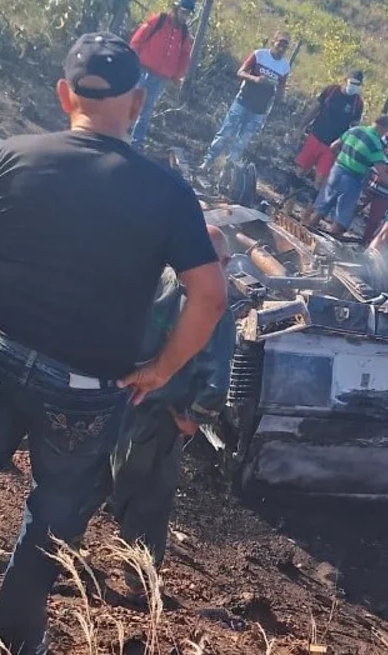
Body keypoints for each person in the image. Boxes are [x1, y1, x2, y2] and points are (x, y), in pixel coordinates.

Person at [0, 33, 228, 655]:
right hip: (89, 387)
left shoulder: (12, 155)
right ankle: (8, 636)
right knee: (54, 517)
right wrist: (160, 368)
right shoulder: (168, 193)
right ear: (138, 102)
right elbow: (210, 296)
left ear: (65, 94)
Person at [112, 228, 235, 569]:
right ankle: (137, 575)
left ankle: (65, 546)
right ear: (226, 263)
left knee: (101, 472)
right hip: (162, 413)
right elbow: (217, 377)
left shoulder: (158, 278)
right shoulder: (215, 309)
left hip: (120, 397)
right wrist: (194, 417)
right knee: (150, 496)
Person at [199, 31, 292, 173]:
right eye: (280, 44)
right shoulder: (259, 55)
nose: (281, 48)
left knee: (241, 142)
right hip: (243, 100)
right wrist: (255, 79)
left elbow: (281, 89)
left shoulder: (285, 67)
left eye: (285, 47)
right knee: (226, 132)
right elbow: (240, 72)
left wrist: (281, 95)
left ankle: (226, 171)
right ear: (274, 42)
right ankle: (208, 161)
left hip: (260, 109)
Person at [303, 115, 388, 235]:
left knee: (321, 208)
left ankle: (305, 233)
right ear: (384, 128)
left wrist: (340, 159)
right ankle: (329, 243)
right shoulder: (375, 144)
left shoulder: (355, 130)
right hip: (352, 180)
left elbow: (334, 146)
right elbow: (382, 173)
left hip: (336, 171)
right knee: (341, 217)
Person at [128, 0, 196, 146]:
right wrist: (132, 57)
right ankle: (116, 134)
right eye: (183, 12)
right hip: (141, 69)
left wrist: (176, 76)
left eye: (188, 14)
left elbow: (184, 57)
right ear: (176, 8)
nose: (185, 17)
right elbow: (139, 37)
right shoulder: (159, 20)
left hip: (159, 77)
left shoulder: (184, 34)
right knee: (130, 103)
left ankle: (135, 145)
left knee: (145, 112)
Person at [295, 70, 365, 188]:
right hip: (315, 137)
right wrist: (301, 127)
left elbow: (354, 128)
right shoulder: (331, 91)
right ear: (345, 80)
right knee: (300, 171)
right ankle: (289, 205)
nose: (354, 86)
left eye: (357, 84)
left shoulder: (357, 103)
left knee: (320, 182)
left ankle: (310, 205)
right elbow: (314, 109)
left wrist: (345, 147)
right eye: (352, 82)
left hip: (332, 147)